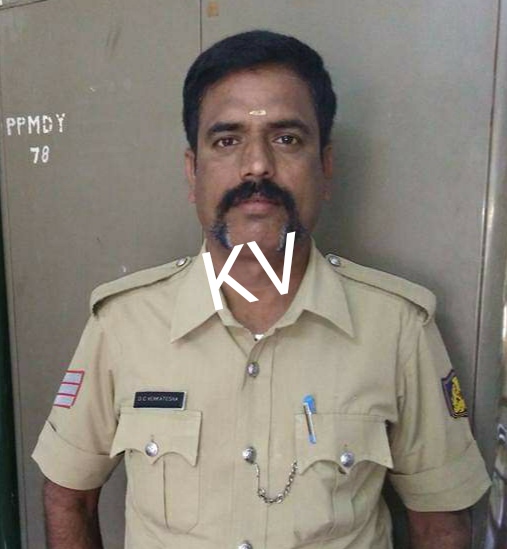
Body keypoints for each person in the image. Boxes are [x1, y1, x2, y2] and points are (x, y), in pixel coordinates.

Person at [33, 30, 490, 549]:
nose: (257, 165)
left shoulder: (398, 328)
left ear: (326, 168)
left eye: (286, 138)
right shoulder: (123, 324)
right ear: (193, 172)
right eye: (227, 141)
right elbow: (68, 496)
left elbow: (440, 522)